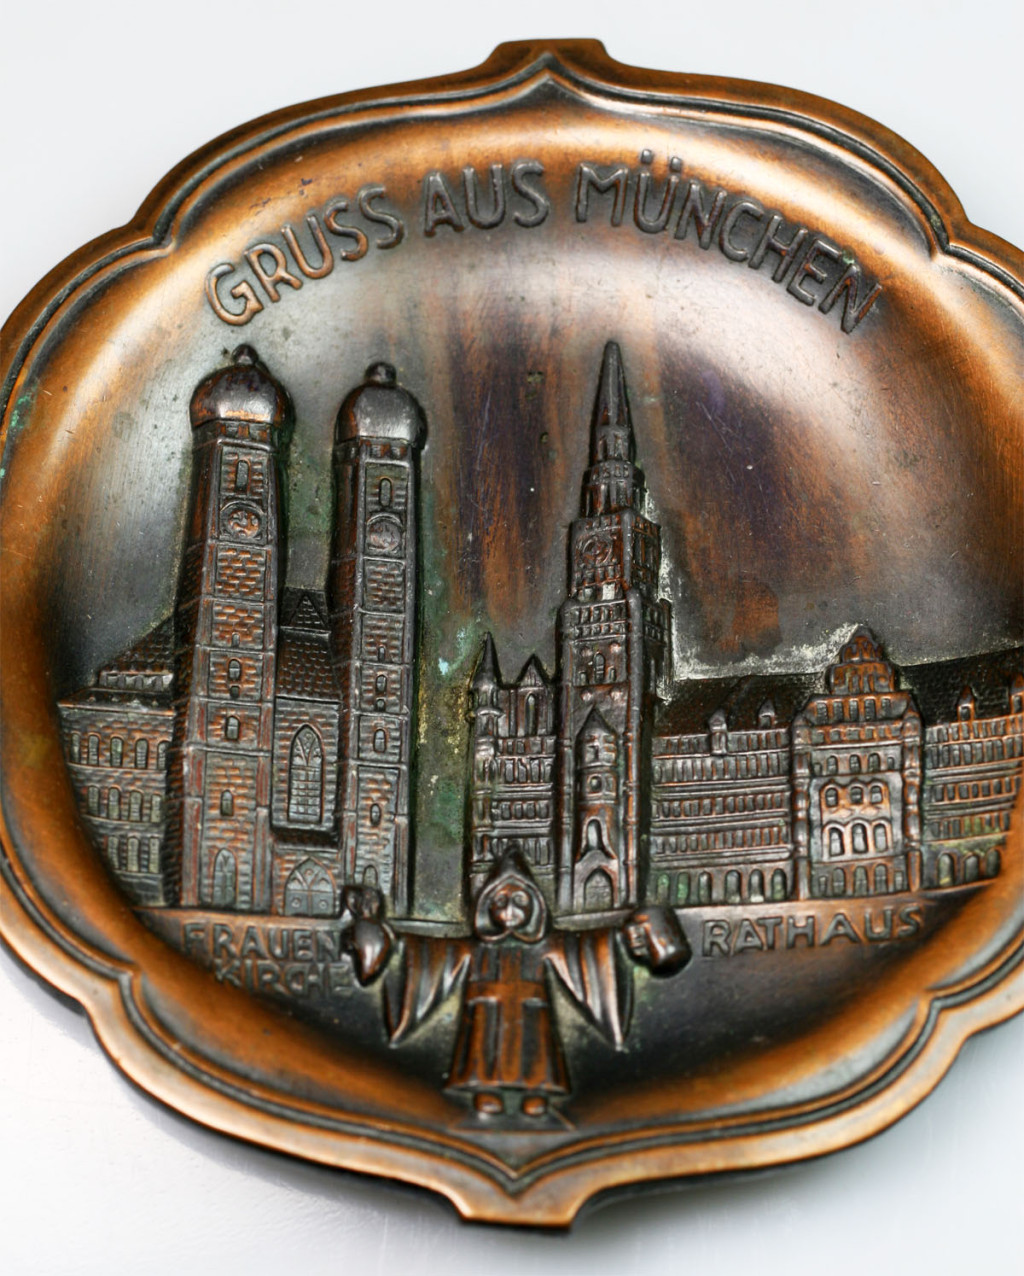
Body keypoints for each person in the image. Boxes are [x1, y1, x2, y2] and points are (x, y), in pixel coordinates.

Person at [346, 848, 690, 1119]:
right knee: (483, 1051)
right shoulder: (472, 949)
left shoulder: (547, 947)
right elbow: (428, 954)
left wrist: (628, 936)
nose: (509, 909)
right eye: (501, 901)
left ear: (534, 905)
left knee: (534, 1052)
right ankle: (486, 1093)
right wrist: (389, 939)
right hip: (484, 1008)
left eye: (519, 901)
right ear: (487, 905)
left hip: (531, 1010)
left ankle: (536, 1095)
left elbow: (587, 950)